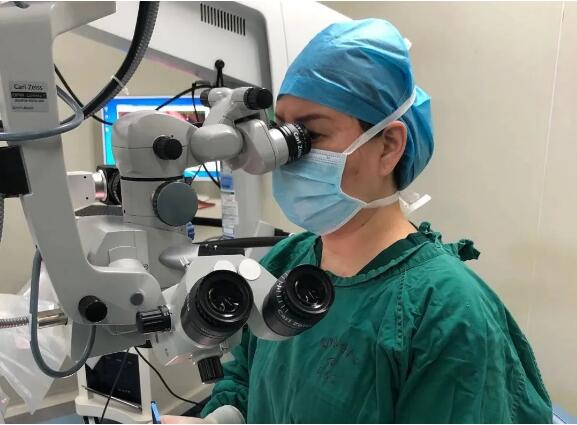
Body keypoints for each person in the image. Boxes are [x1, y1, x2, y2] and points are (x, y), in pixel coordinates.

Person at [163, 18, 552, 424]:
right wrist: (220, 419)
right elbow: (245, 380)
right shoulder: (286, 260)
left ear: (388, 146)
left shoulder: (448, 312)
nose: (282, 156)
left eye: (309, 135)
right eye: (281, 131)